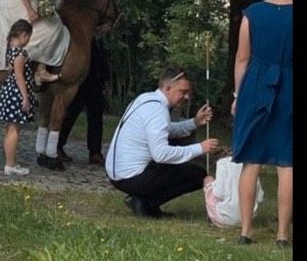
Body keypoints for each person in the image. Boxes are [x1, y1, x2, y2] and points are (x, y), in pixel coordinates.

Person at [231, 0, 293, 247]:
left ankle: (246, 232)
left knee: (251, 160)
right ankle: (282, 235)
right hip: (291, 87)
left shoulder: (253, 13)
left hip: (257, 86)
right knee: (288, 161)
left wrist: (237, 96)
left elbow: (242, 58)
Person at [104, 66, 219, 218]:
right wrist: (201, 148)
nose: (185, 97)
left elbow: (167, 130)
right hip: (130, 177)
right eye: (182, 92)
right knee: (198, 175)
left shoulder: (146, 99)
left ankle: (142, 200)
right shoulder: (157, 111)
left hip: (116, 172)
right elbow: (161, 155)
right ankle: (146, 203)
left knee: (178, 156)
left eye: (187, 93)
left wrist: (195, 122)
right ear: (168, 88)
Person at [0, 19, 43, 176]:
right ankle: (10, 164)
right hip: (16, 93)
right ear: (23, 35)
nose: (28, 41)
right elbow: (20, 76)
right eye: (28, 37)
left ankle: (11, 161)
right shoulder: (20, 54)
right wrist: (25, 97)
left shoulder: (11, 50)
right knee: (14, 130)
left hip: (9, 92)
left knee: (10, 129)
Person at [55, 36, 109, 165]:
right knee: (71, 113)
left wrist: (104, 79)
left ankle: (95, 151)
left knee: (96, 116)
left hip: (95, 80)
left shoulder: (97, 41)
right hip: (81, 81)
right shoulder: (82, 41)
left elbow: (102, 60)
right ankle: (58, 144)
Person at [203, 150, 263, 227]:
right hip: (248, 218)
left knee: (208, 179)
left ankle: (212, 217)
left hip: (224, 218)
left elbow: (218, 193)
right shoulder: (252, 164)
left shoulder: (222, 163)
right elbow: (260, 198)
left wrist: (213, 184)